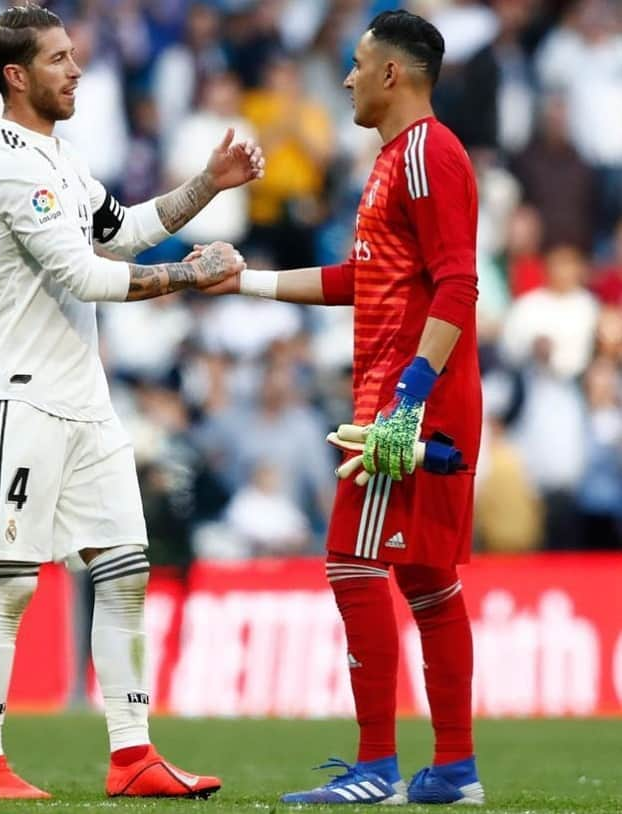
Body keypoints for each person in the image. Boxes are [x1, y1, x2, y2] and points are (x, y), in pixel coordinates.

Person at [0, 4, 263, 801]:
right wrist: (186, 277)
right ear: (16, 76)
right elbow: (81, 275)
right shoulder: (4, 163)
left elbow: (119, 230)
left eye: (74, 55)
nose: (77, 68)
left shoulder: (62, 157)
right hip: (15, 401)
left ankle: (133, 757)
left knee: (126, 570)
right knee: (12, 584)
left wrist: (207, 185)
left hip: (85, 402)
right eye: (58, 58)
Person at [194, 10, 484, 806]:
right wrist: (244, 280)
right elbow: (358, 281)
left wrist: (407, 403)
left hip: (406, 399)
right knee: (428, 582)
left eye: (358, 65)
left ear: (394, 74)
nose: (348, 77)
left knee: (351, 561)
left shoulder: (425, 154)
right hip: (416, 393)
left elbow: (459, 282)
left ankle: (376, 768)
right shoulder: (400, 160)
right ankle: (455, 771)